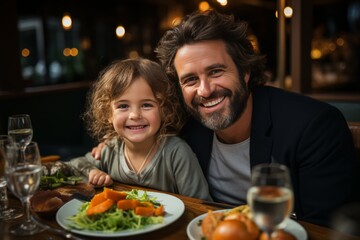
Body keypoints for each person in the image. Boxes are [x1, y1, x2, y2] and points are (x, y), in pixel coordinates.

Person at [93, 10, 357, 227]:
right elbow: (139, 128)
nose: (205, 90)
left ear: (245, 72)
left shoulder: (314, 126)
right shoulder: (185, 121)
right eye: (190, 79)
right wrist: (110, 143)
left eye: (216, 71)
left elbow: (327, 228)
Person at [66, 58, 212, 201]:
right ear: (108, 114)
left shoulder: (176, 153)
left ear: (165, 111)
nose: (135, 115)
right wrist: (92, 171)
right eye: (123, 106)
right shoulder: (110, 150)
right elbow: (74, 165)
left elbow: (202, 206)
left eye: (146, 105)